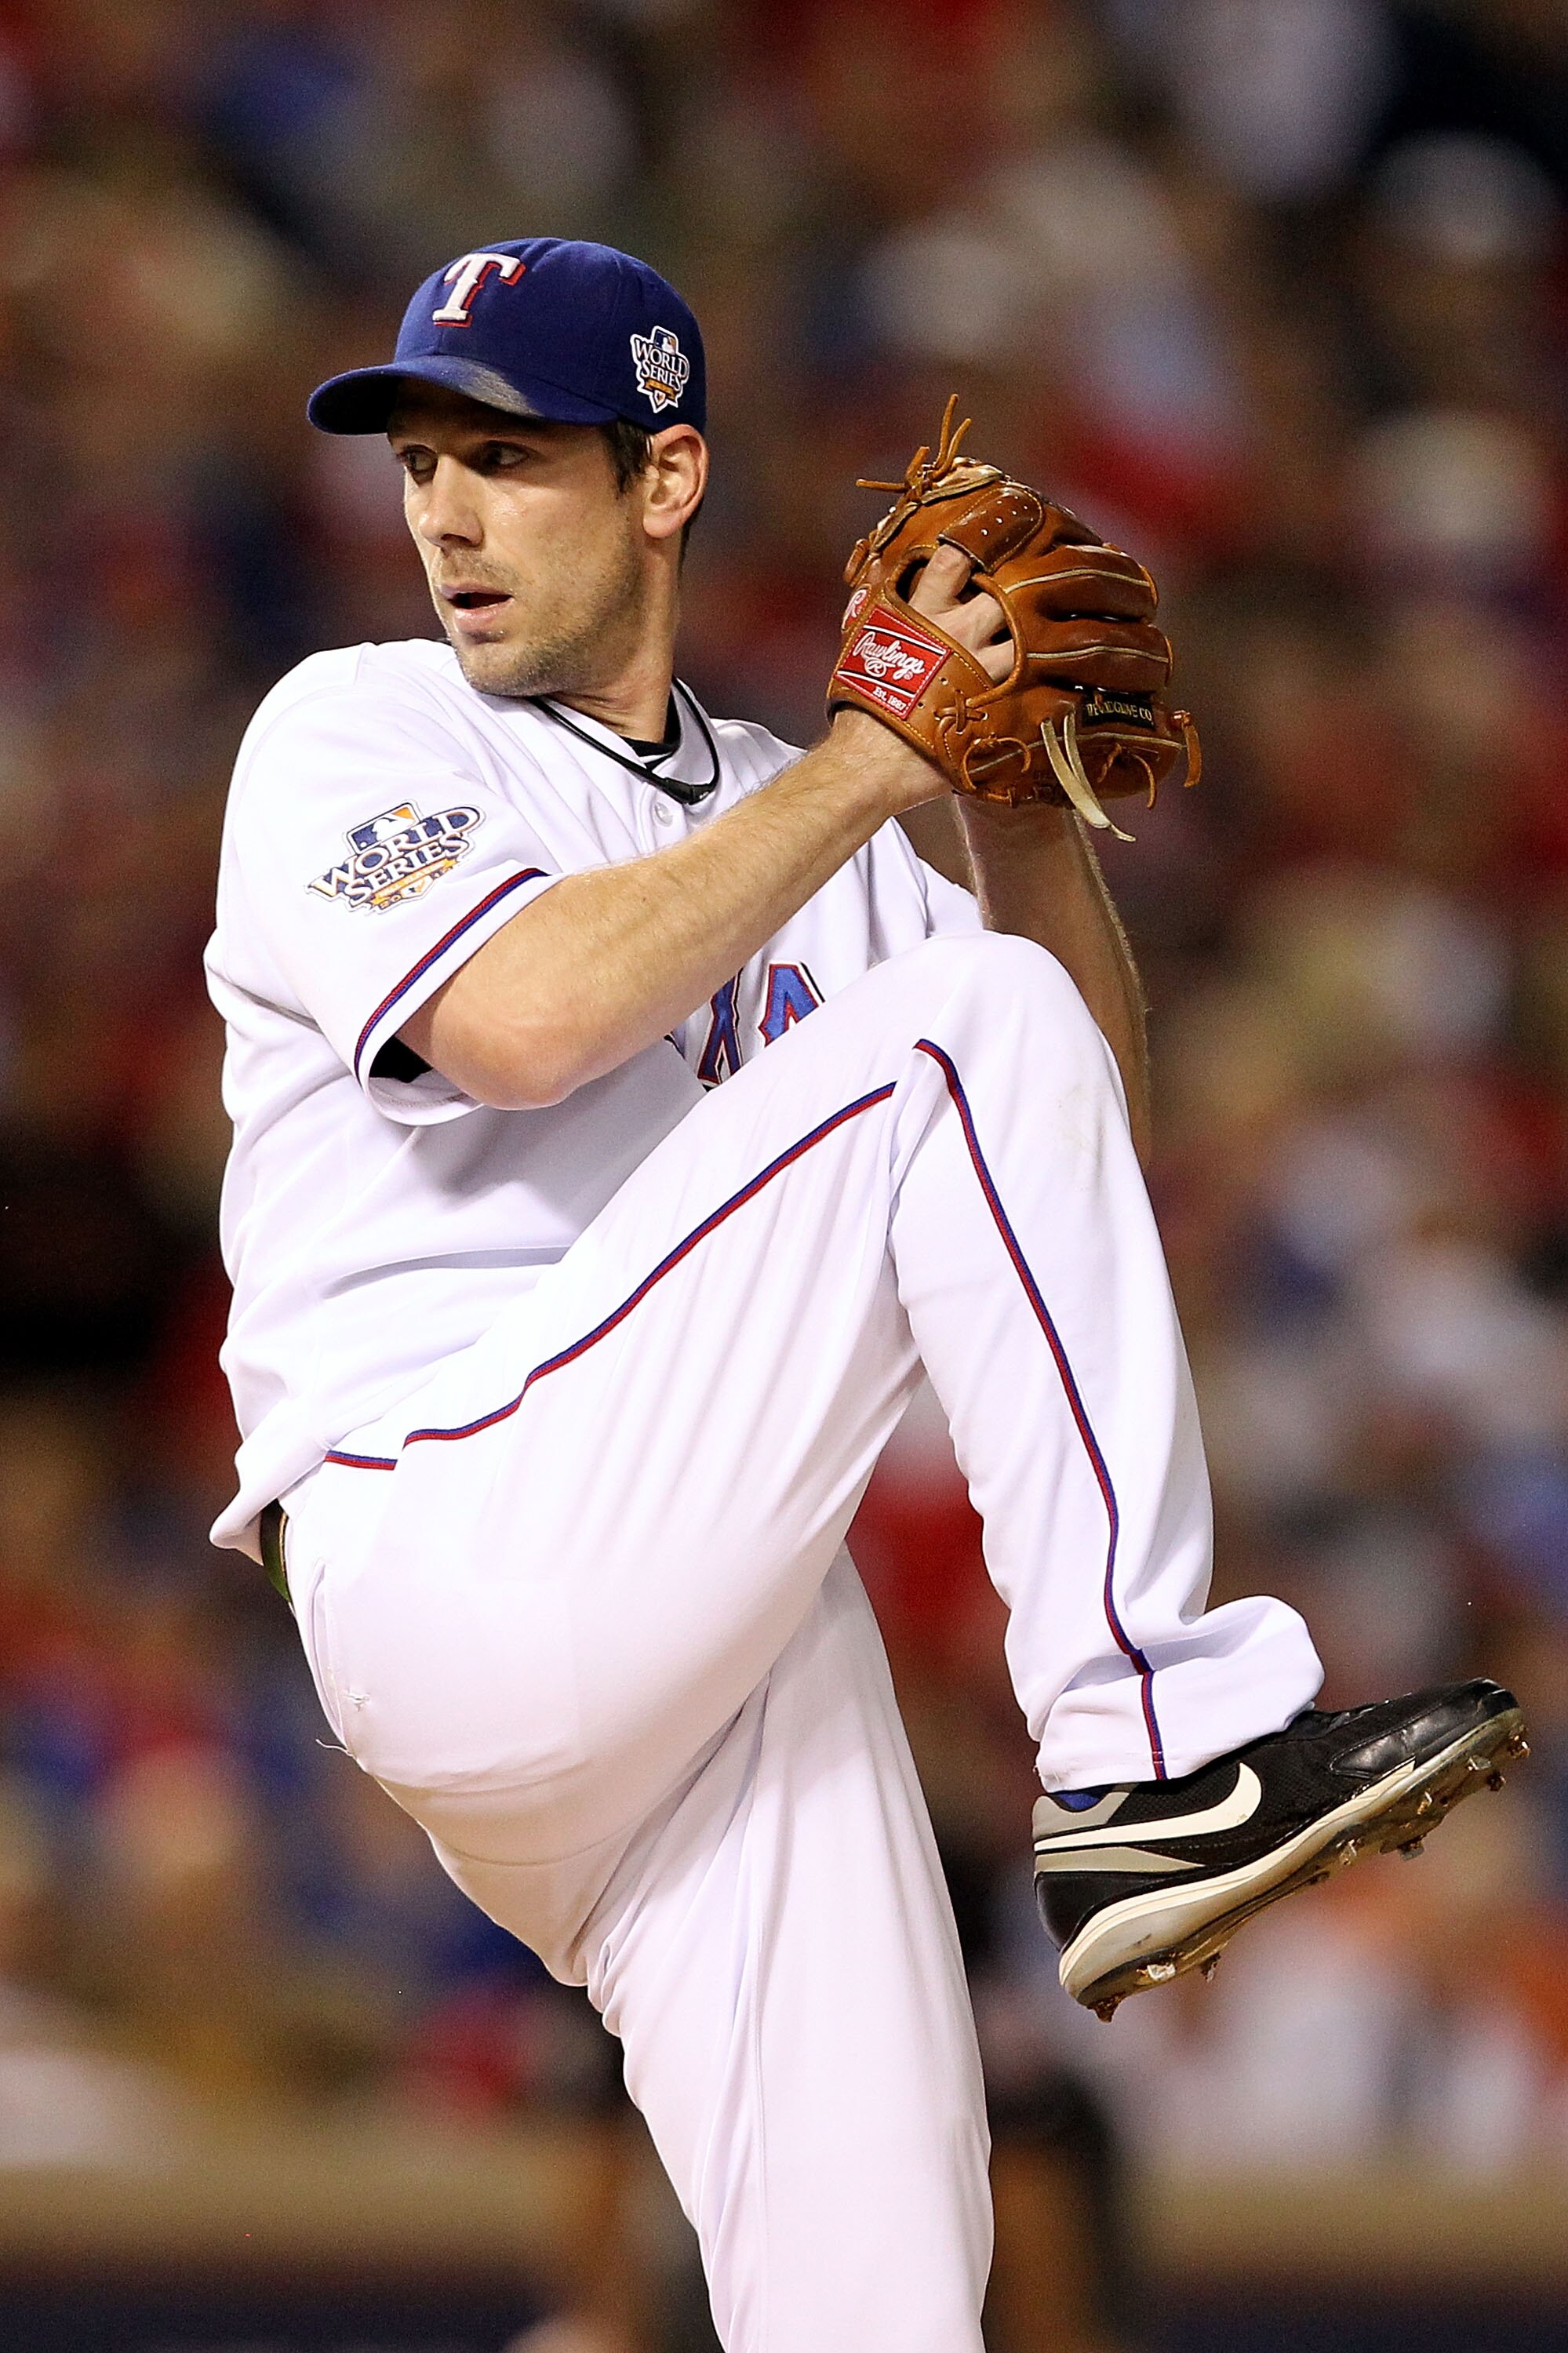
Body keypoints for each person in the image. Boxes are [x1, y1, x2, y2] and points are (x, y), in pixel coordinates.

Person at [206, 238, 1523, 2351]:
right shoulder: (356, 727)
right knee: (948, 1038)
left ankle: (1140, 1750)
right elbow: (529, 1022)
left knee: (892, 2293)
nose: (443, 508)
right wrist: (877, 759)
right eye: (421, 458)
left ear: (665, 477)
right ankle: (1150, 1741)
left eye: (510, 455)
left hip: (711, 1640)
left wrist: (1013, 818)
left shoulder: (799, 808)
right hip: (449, 1520)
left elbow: (1071, 1119)